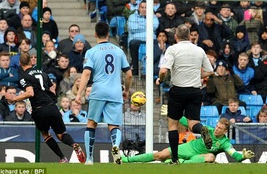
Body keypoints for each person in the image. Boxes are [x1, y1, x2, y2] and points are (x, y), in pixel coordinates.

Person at [10, 52, 86, 163]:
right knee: (61, 134)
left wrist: (15, 99)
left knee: (46, 134)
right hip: (51, 106)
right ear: (31, 61)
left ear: (20, 63)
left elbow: (30, 93)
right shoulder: (43, 73)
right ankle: (74, 144)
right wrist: (52, 99)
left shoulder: (24, 76)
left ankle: (62, 158)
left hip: (39, 109)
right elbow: (52, 87)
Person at [155, 24, 214, 164]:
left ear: (176, 36)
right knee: (193, 123)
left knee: (173, 125)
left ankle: (174, 159)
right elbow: (210, 71)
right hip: (195, 90)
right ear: (189, 36)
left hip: (178, 90)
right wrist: (197, 76)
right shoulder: (199, 50)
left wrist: (160, 80)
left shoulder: (173, 49)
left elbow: (163, 71)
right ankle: (202, 129)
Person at [75, 22, 132, 165]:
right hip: (115, 92)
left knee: (91, 124)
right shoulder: (118, 51)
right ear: (108, 34)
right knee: (114, 125)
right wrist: (125, 90)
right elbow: (129, 74)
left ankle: (89, 159)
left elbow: (87, 73)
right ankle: (115, 147)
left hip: (98, 91)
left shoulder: (91, 52)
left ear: (95, 34)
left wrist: (79, 93)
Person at [121, 117, 256, 164]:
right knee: (159, 155)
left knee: (210, 157)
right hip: (188, 148)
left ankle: (181, 162)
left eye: (220, 129)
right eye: (216, 126)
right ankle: (126, 160)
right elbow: (188, 123)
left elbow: (235, 155)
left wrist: (243, 156)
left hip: (199, 156)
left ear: (225, 131)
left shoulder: (226, 143)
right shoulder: (207, 130)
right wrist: (174, 114)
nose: (216, 130)